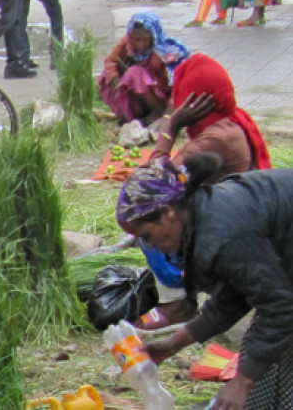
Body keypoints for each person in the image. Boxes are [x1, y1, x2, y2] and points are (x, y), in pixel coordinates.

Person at [119, 157, 293, 410]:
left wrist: (243, 382)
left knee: (274, 348)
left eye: (146, 235)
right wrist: (175, 343)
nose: (150, 245)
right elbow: (237, 292)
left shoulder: (224, 233)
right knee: (263, 350)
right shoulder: (204, 217)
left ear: (167, 213)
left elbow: (280, 307)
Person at [132, 53, 272, 332]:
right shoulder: (230, 122)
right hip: (240, 220)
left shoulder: (216, 138)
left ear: (195, 104)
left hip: (234, 232)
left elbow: (149, 184)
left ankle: (177, 303)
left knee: (147, 215)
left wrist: (170, 126)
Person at [99, 11, 188, 127]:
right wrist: (117, 82)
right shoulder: (127, 43)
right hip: (138, 92)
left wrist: (168, 115)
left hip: (160, 96)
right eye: (136, 40)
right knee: (106, 77)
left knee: (135, 73)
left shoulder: (163, 54)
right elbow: (111, 61)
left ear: (153, 37)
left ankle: (156, 113)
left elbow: (175, 86)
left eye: (145, 40)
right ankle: (131, 114)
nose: (140, 45)